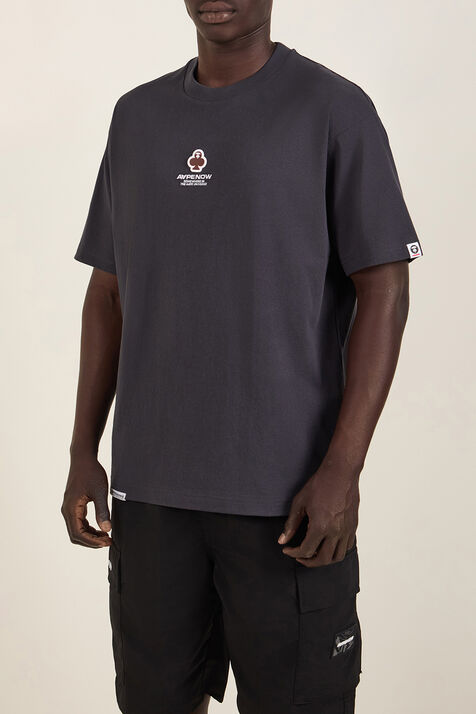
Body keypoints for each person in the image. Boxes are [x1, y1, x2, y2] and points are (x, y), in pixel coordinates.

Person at [61, 1, 423, 712]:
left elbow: (384, 287)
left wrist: (343, 468)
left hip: (287, 502)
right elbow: (107, 292)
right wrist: (82, 450)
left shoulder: (334, 109)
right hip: (152, 497)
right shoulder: (136, 117)